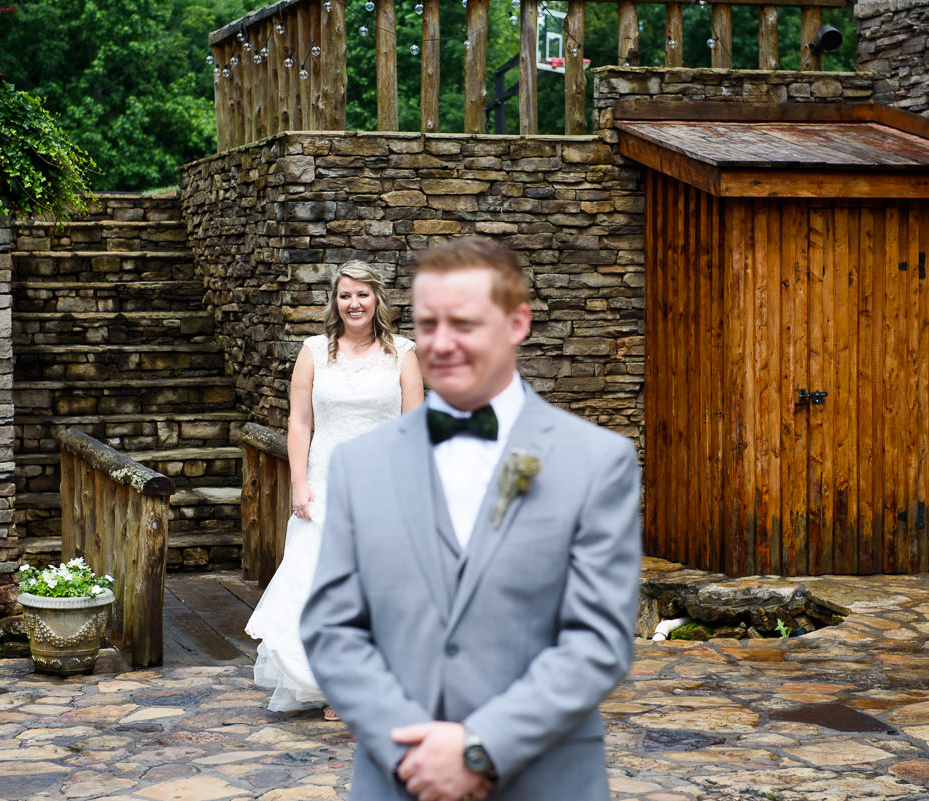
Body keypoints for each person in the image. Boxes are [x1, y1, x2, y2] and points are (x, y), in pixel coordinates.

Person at [301, 236, 642, 801]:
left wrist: (481, 748)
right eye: (430, 324)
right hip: (398, 779)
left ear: (517, 323)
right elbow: (332, 630)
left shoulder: (596, 461)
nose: (442, 343)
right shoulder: (361, 465)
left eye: (464, 323)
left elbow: (598, 639)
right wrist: (412, 753)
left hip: (544, 779)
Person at [245, 260, 423, 718]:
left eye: (363, 294)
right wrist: (299, 483)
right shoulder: (313, 351)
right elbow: (300, 422)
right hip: (324, 487)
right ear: (335, 300)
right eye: (346, 295)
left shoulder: (403, 353)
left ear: (378, 299)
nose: (354, 303)